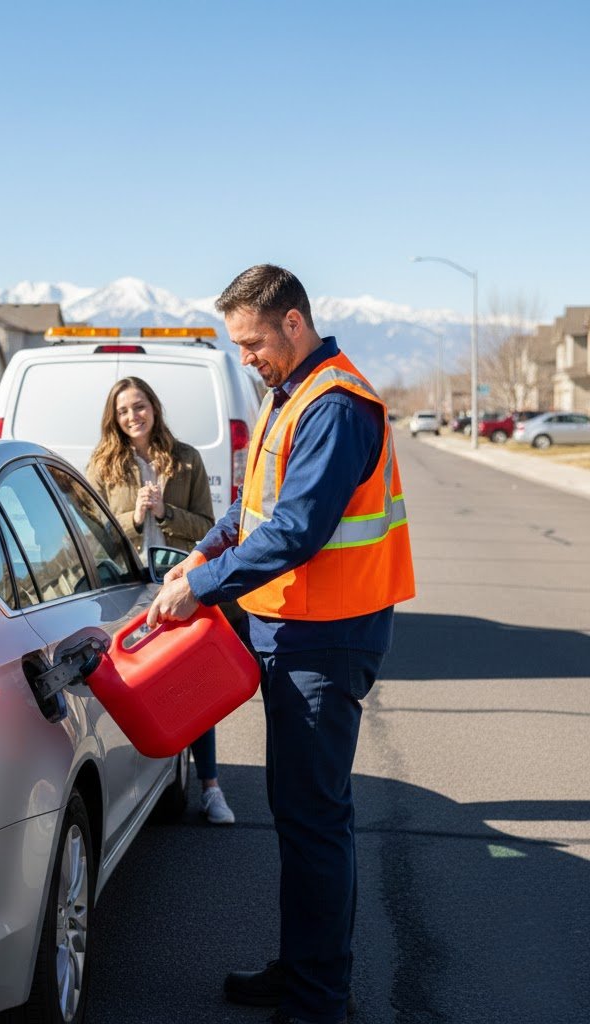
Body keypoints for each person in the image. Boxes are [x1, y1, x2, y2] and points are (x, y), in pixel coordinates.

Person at [147, 265, 415, 1024]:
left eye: (253, 342)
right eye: (236, 345)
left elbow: (298, 531)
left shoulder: (334, 405)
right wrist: (203, 556)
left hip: (326, 640)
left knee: (314, 819)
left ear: (293, 323)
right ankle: (303, 971)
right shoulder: (289, 395)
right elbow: (252, 508)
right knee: (302, 817)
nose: (246, 358)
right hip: (293, 632)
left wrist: (202, 587)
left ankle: (319, 995)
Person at [85, 375, 236, 826]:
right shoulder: (104, 464)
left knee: (194, 683)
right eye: (124, 410)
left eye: (140, 406)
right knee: (137, 686)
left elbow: (210, 527)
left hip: (178, 586)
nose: (134, 416)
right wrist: (133, 518)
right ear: (114, 418)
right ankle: (137, 784)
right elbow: (93, 534)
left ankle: (210, 787)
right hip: (128, 591)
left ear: (155, 407)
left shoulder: (186, 460)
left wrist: (166, 514)